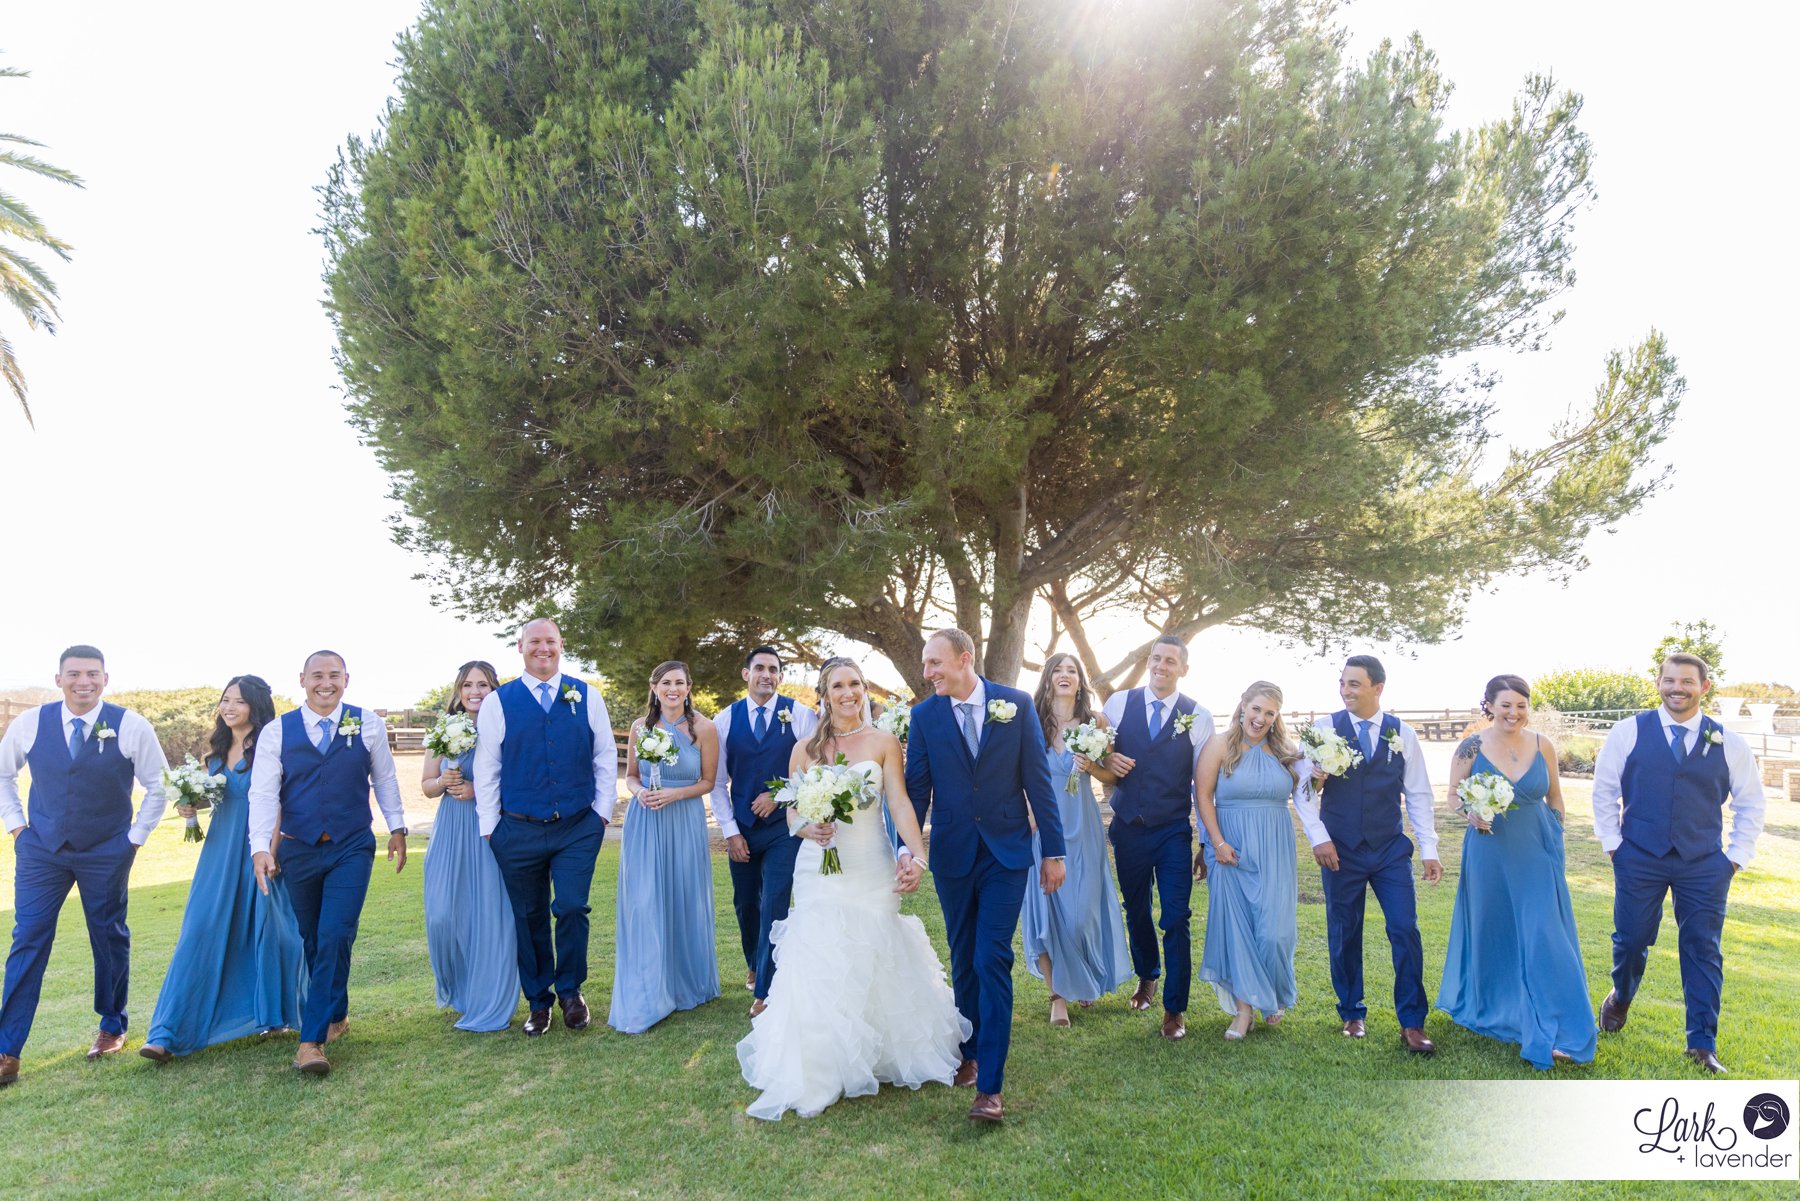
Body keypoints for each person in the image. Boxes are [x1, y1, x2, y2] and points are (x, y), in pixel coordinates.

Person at [737, 657, 963, 1120]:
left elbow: (899, 801)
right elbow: (791, 813)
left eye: (855, 684)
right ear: (823, 694)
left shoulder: (884, 742)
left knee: (874, 948)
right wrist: (808, 829)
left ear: (864, 689)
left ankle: (879, 1053)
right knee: (822, 954)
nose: (848, 693)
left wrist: (916, 854)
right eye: (838, 685)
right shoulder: (805, 749)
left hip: (870, 863)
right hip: (819, 868)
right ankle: (822, 1068)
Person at [906, 629, 1064, 1123]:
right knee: (964, 957)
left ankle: (991, 1087)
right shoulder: (924, 715)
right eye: (926, 664)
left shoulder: (1015, 705)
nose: (927, 672)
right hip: (953, 854)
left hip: (1006, 855)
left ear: (964, 659)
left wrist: (1053, 852)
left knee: (992, 956)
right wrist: (909, 851)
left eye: (935, 663)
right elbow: (916, 792)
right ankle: (969, 1053)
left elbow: (1038, 783)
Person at [0, 645, 170, 1086]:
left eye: (92, 674)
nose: (83, 682)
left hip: (107, 850)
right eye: (74, 674)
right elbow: (2, 774)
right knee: (28, 939)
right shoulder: (30, 723)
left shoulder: (131, 725)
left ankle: (112, 1026)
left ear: (105, 679)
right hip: (42, 851)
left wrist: (134, 839)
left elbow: (158, 786)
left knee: (108, 935)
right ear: (58, 679)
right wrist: (18, 829)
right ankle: (6, 1050)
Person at [1592, 653, 1766, 1074]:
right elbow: (1604, 790)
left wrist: (1734, 858)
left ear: (1704, 687)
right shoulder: (1629, 731)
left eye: (1687, 681)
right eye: (1670, 680)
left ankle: (1701, 1043)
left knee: (1703, 949)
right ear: (1658, 683)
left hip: (1704, 863)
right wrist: (1614, 845)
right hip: (1639, 857)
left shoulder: (1729, 742)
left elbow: (1750, 803)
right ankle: (1621, 995)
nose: (1677, 688)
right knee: (1631, 939)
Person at [249, 650, 410, 1076]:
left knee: (336, 932)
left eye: (334, 675)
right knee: (314, 939)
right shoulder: (276, 732)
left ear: (347, 679)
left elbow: (385, 779)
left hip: (352, 845)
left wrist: (397, 828)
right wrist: (260, 848)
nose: (326, 683)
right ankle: (336, 1012)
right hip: (298, 847)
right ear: (302, 679)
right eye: (317, 675)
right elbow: (264, 794)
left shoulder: (368, 723)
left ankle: (310, 1041)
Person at [140, 676, 305, 1061]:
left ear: (257, 706)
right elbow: (216, 795)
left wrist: (271, 851)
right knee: (199, 930)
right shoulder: (215, 749)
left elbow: (278, 802)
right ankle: (166, 1032)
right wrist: (190, 804)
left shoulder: (270, 745)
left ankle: (275, 1014)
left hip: (258, 849)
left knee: (270, 933)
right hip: (218, 853)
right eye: (225, 700)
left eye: (239, 701)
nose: (229, 707)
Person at [1436, 675, 1596, 1069]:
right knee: (1497, 931)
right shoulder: (1471, 745)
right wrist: (1469, 812)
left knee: (1545, 934)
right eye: (1506, 705)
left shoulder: (1543, 744)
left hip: (1537, 850)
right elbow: (1452, 794)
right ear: (1489, 705)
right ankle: (1501, 1010)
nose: (1514, 713)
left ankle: (1558, 1023)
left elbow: (1555, 795)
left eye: (1521, 705)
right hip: (1489, 850)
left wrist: (1556, 835)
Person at [472, 618, 617, 1037]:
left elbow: (605, 756)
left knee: (571, 906)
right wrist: (491, 828)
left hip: (577, 825)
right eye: (534, 641)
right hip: (516, 828)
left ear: (561, 644)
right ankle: (538, 1002)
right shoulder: (500, 702)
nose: (543, 648)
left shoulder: (586, 695)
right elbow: (487, 768)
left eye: (550, 641)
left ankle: (572, 992)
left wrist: (600, 813)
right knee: (529, 914)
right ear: (520, 646)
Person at [1294, 655, 1441, 1054]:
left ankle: (1412, 1022)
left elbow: (1419, 794)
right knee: (1344, 931)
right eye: (1343, 683)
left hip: (1390, 849)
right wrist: (1319, 838)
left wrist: (1428, 848)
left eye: (1355, 684)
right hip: (1340, 850)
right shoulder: (1323, 729)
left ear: (1378, 688)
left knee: (1404, 928)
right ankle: (1351, 1012)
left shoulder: (1402, 733)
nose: (1346, 691)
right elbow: (1304, 791)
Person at [1098, 634, 1212, 1041]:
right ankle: (1147, 977)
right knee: (1137, 908)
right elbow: (1098, 755)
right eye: (1156, 659)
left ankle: (1174, 1009)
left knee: (1177, 916)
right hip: (1128, 826)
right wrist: (1106, 758)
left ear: (1183, 669)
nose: (1161, 666)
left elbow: (1203, 784)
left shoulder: (1197, 715)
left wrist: (1204, 841)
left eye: (1170, 661)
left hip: (1172, 831)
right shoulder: (1118, 704)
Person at [608, 661, 722, 1033]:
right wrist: (641, 793)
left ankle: (686, 984)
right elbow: (631, 777)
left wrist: (675, 793)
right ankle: (647, 985)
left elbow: (708, 782)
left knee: (684, 898)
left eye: (680, 683)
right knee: (645, 901)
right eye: (666, 682)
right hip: (646, 821)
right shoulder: (642, 727)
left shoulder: (704, 729)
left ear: (689, 687)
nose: (673, 689)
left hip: (685, 819)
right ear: (654, 687)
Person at [709, 645, 818, 1015]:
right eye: (760, 668)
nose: (766, 675)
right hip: (741, 827)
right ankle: (755, 963)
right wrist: (730, 832)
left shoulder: (801, 715)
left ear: (781, 676)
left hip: (784, 828)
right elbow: (717, 782)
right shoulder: (724, 720)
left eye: (774, 669)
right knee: (745, 903)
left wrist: (779, 794)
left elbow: (811, 771)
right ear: (746, 674)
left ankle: (766, 992)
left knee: (774, 899)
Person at [1024, 653, 1132, 1025]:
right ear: (1048, 678)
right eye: (1058, 669)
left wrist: (1093, 767)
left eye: (1072, 670)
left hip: (1081, 820)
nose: (1065, 675)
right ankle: (1058, 997)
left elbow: (1111, 778)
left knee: (1082, 913)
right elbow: (1013, 772)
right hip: (1039, 820)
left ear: (1079, 679)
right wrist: (1028, 814)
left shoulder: (1095, 721)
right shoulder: (1031, 719)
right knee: (1047, 912)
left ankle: (1082, 973)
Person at [1195, 681, 1302, 1041]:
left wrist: (1322, 776)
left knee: (1275, 932)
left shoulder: (1285, 750)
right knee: (1238, 929)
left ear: (1276, 717)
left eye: (1269, 712)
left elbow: (1308, 794)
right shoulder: (1219, 745)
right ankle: (1244, 1011)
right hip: (1231, 848)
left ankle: (1271, 991)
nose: (1261, 718)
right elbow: (1203, 797)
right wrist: (1217, 842)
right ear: (1242, 706)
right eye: (1256, 709)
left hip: (1275, 847)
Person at [421, 660, 519, 1032]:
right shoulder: (443, 729)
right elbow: (427, 785)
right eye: (468, 685)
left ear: (495, 689)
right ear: (458, 691)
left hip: (489, 826)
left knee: (489, 914)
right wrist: (444, 781)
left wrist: (479, 790)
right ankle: (460, 991)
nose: (475, 691)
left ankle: (488, 997)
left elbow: (520, 779)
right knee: (443, 915)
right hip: (450, 828)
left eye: (483, 685)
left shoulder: (506, 727)